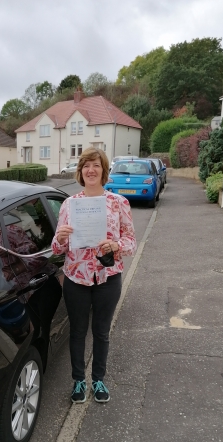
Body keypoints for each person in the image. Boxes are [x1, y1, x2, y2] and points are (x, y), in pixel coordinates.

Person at [52, 147, 137, 404]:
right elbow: (56, 249)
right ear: (80, 171)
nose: (91, 170)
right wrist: (60, 238)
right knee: (77, 332)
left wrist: (116, 246)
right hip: (76, 278)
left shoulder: (118, 203)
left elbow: (131, 242)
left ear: (104, 171)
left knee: (101, 332)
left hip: (107, 278)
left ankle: (98, 379)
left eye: (96, 165)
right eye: (86, 165)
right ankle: (79, 380)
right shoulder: (69, 204)